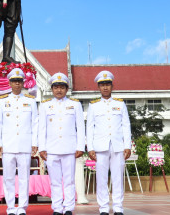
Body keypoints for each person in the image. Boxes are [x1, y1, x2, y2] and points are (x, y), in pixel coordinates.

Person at [38, 72, 85, 215]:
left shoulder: (75, 105)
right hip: (51, 149)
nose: (59, 90)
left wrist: (80, 146)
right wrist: (42, 148)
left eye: (62, 87)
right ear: (52, 89)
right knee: (55, 181)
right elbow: (42, 128)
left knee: (70, 180)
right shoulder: (45, 105)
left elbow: (80, 127)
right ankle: (57, 208)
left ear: (67, 89)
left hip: (69, 148)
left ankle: (69, 207)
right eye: (56, 87)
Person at [86, 71, 132, 215]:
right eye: (102, 85)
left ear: (112, 86)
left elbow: (126, 125)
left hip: (118, 146)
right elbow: (89, 128)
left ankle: (118, 208)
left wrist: (127, 146)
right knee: (101, 179)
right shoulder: (93, 106)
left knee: (118, 178)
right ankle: (104, 209)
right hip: (100, 147)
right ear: (98, 87)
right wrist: (90, 147)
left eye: (107, 85)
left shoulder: (120, 104)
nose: (105, 88)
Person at [0, 68, 38, 215]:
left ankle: (22, 208)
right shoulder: (2, 101)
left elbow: (35, 123)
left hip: (25, 145)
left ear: (23, 83)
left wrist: (34, 143)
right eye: (14, 81)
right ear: (10, 83)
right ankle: (11, 208)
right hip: (8, 145)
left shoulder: (30, 101)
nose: (17, 84)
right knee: (8, 178)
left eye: (19, 81)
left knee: (24, 178)